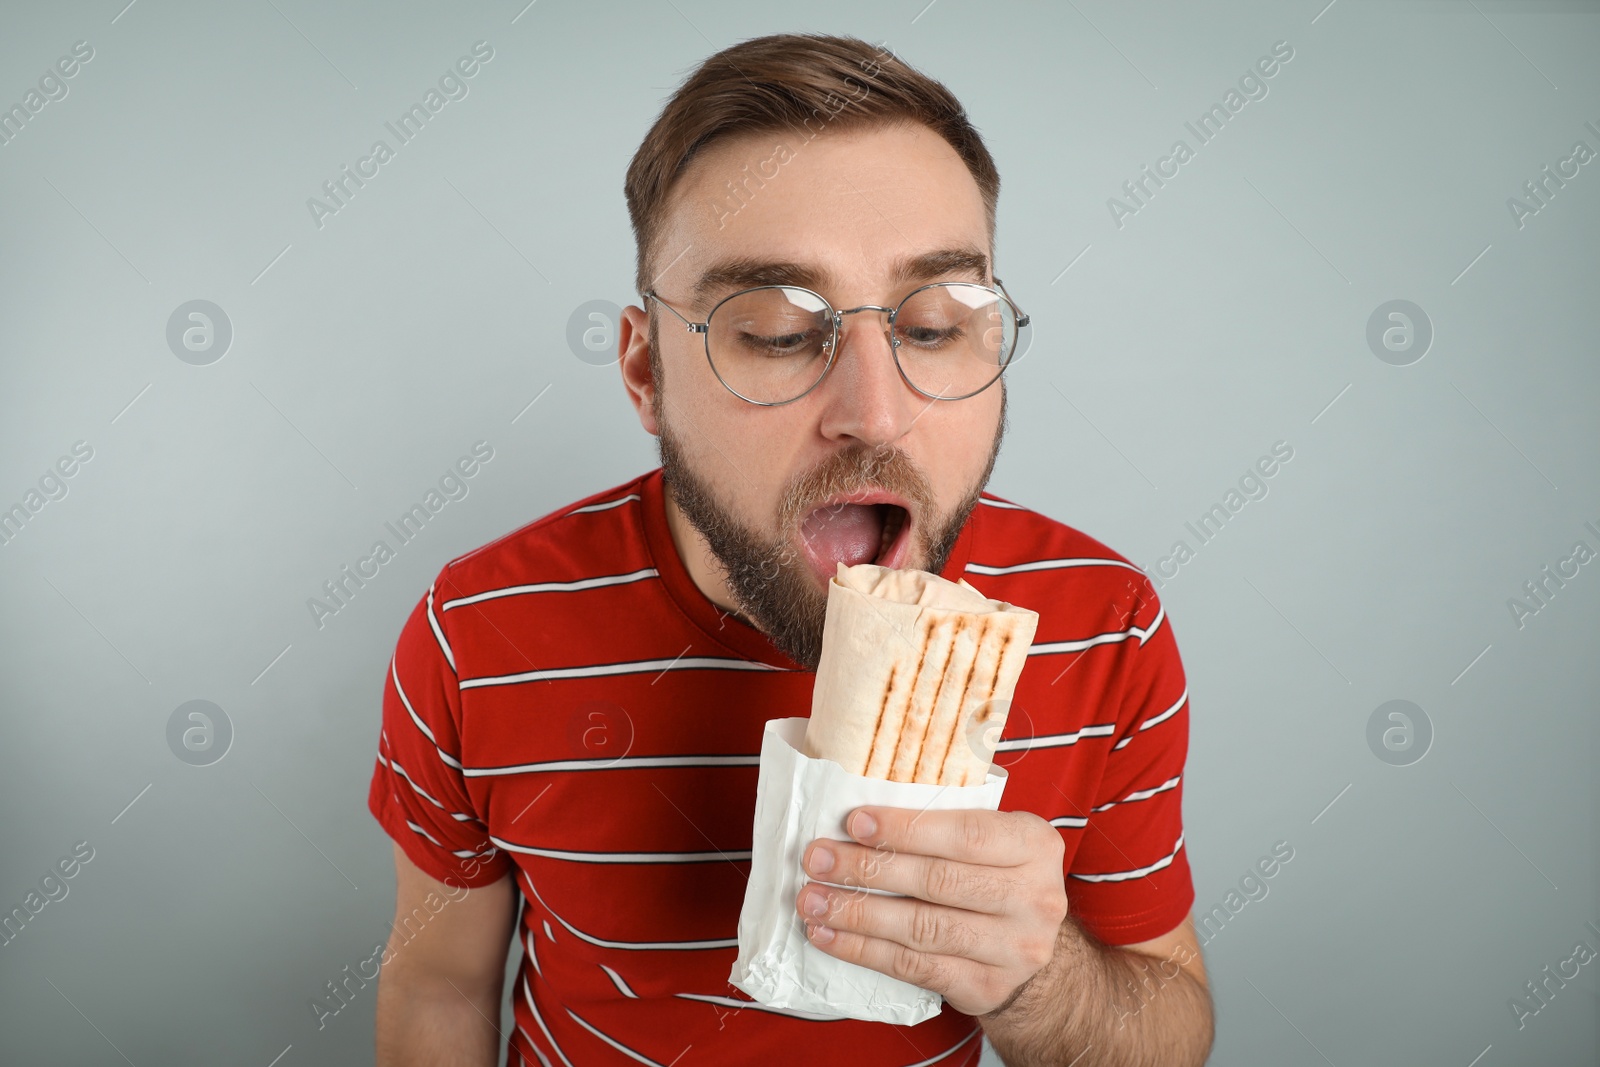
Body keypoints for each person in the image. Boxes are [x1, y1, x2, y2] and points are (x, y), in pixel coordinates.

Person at [366, 32, 1213, 1067]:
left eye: (937, 324)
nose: (876, 413)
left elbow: (1165, 1030)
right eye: (774, 329)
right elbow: (439, 984)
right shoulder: (478, 631)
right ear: (644, 372)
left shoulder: (1100, 624)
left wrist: (1039, 980)